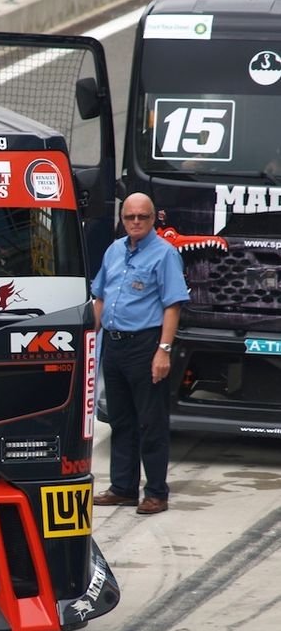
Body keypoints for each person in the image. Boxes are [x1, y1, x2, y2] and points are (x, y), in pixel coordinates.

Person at [91, 192, 189, 515]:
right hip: (115, 346)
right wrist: (89, 340)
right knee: (120, 420)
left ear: (153, 219)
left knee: (151, 422)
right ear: (122, 218)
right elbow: (100, 298)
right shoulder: (114, 251)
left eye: (142, 217)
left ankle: (156, 493)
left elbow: (172, 305)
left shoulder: (164, 255)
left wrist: (163, 350)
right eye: (129, 217)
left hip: (146, 345)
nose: (135, 222)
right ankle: (122, 487)